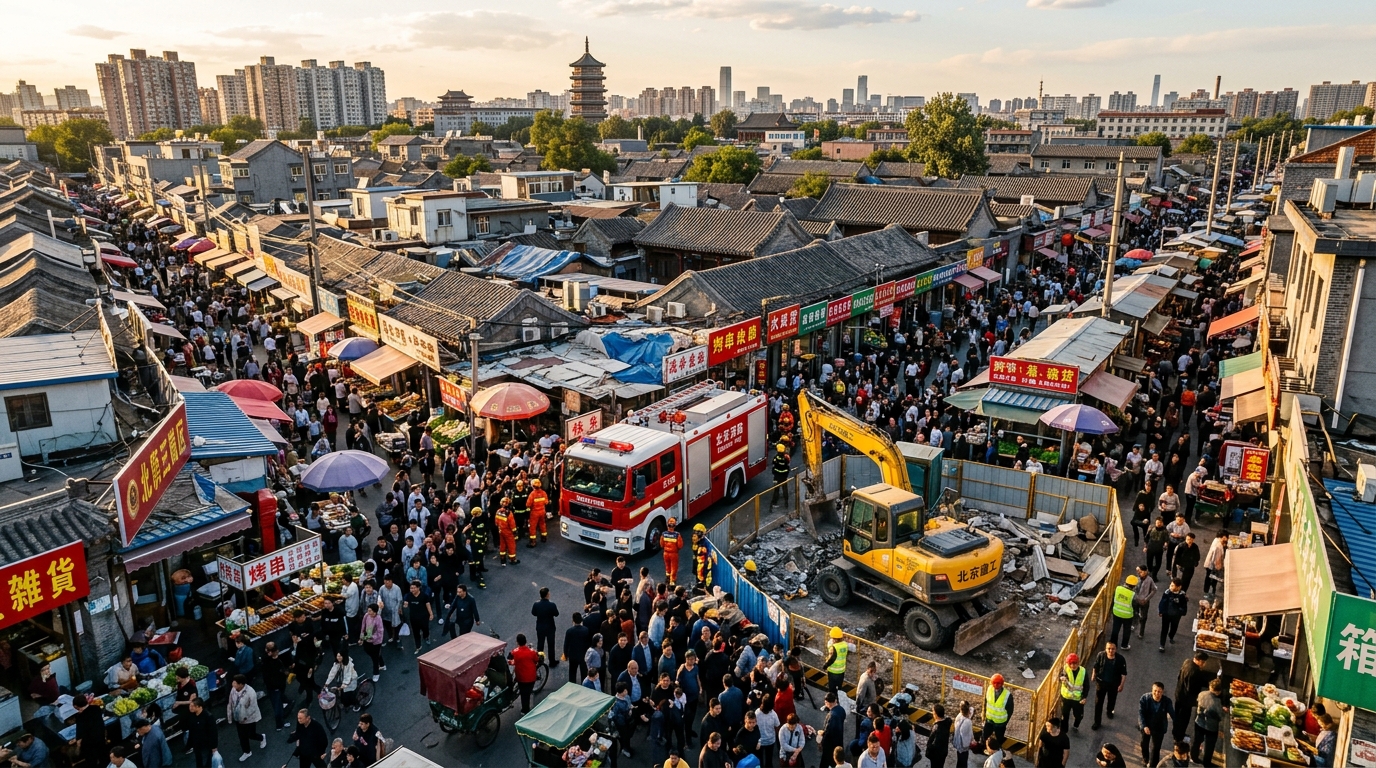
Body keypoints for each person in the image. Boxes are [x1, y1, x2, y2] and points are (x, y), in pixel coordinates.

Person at [1174, 651, 1211, 743]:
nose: (1204, 664)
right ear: (1199, 661)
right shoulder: (1195, 672)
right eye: (1203, 662)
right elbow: (1192, 689)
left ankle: (1176, 733)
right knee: (1184, 719)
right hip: (1186, 701)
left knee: (1177, 716)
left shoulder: (1187, 662)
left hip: (1179, 694)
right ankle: (1179, 737)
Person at [227, 674, 266, 762]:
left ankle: (262, 737)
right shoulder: (233, 690)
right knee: (242, 736)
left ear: (241, 684)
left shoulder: (250, 692)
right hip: (238, 718)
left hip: (249, 719)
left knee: (251, 734)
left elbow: (252, 707)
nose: (233, 684)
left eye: (235, 683)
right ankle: (247, 751)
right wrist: (230, 717)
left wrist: (245, 717)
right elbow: (230, 703)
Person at [1090, 642, 1127, 730]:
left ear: (1116, 649)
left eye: (1112, 649)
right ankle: (1097, 722)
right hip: (1101, 683)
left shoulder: (1120, 659)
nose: (1110, 651)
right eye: (1108, 648)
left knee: (1112, 699)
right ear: (1106, 649)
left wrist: (1121, 685)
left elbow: (1123, 674)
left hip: (1113, 684)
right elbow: (1096, 666)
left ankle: (1109, 711)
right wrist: (1093, 675)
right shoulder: (1101, 655)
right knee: (1098, 703)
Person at [1138, 681, 1174, 768]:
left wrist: (1178, 726)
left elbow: (1172, 713)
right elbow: (1141, 713)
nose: (1157, 693)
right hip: (1147, 726)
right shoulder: (1145, 698)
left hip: (1159, 728)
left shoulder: (1167, 701)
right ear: (1152, 690)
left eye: (1159, 691)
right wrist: (1144, 726)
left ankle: (1153, 765)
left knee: (1156, 748)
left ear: (1162, 692)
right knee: (1144, 744)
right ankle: (1145, 759)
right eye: (1155, 691)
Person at [1191, 678, 1226, 766]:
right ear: (1218, 691)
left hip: (1199, 722)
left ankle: (1194, 757)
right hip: (1211, 727)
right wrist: (1223, 710)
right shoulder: (1217, 702)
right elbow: (1220, 716)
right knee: (1209, 746)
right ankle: (1206, 763)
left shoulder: (1201, 694)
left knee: (1196, 741)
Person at [509, 633, 541, 713]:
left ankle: (525, 710)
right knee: (527, 693)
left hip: (521, 677)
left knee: (523, 694)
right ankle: (526, 709)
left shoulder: (514, 652)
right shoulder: (532, 652)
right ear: (526, 641)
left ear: (517, 642)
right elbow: (536, 660)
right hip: (531, 677)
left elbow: (510, 658)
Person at [185, 697, 220, 768]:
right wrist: (189, 744)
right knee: (199, 762)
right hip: (197, 745)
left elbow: (213, 733)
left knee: (207, 762)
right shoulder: (192, 715)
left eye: (192, 706)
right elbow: (191, 731)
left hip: (206, 745)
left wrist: (214, 747)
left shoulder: (208, 717)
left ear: (198, 707)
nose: (190, 708)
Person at [1158, 579, 1189, 651]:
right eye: (1170, 585)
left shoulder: (1182, 595)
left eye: (1172, 586)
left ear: (1179, 587)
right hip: (1166, 614)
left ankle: (1171, 636)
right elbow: (1162, 602)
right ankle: (1162, 645)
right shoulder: (1167, 593)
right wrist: (1161, 611)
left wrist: (1182, 612)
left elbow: (1184, 605)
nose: (1170, 587)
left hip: (1176, 616)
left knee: (1174, 627)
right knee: (1164, 629)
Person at [531, 587, 560, 668]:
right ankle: (552, 661)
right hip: (550, 627)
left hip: (540, 627)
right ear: (547, 595)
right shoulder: (552, 605)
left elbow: (533, 613)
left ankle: (539, 660)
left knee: (540, 644)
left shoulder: (536, 604)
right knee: (551, 645)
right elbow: (556, 614)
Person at [1058, 652, 1087, 731]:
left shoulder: (1083, 672)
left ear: (1078, 663)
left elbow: (1086, 685)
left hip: (1077, 699)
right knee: (1065, 715)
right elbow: (1061, 675)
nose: (1073, 666)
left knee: (1079, 716)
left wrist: (1084, 697)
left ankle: (1076, 725)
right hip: (1066, 697)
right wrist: (1061, 678)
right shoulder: (1065, 669)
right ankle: (1064, 730)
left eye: (1075, 663)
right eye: (1071, 664)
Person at [404, 580, 433, 654]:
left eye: (414, 588)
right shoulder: (408, 595)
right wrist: (405, 605)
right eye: (411, 588)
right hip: (413, 618)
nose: (412, 590)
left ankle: (426, 637)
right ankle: (418, 646)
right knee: (415, 633)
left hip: (423, 617)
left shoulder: (424, 595)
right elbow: (405, 603)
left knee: (425, 629)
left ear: (418, 588)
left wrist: (431, 614)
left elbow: (428, 604)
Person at [1110, 575, 1137, 649]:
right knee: (1126, 631)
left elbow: (1113, 599)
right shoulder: (1132, 594)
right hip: (1127, 616)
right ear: (1134, 586)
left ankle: (1113, 644)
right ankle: (1124, 645)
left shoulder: (1118, 588)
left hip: (1116, 612)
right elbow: (1135, 605)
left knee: (1115, 629)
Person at [984, 673, 1013, 743]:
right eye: (994, 683)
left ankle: (997, 751)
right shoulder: (989, 689)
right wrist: (983, 714)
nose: (996, 685)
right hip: (989, 719)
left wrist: (1005, 721)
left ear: (1002, 684)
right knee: (985, 736)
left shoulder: (1007, 695)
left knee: (999, 739)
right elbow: (985, 702)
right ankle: (984, 748)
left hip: (1000, 723)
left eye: (998, 683)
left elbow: (1010, 710)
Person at [823, 626, 852, 694]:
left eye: (832, 638)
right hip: (841, 671)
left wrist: (825, 665)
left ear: (835, 639)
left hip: (833, 671)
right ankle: (838, 699)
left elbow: (832, 658)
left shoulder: (834, 647)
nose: (831, 639)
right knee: (839, 688)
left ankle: (832, 700)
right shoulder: (845, 645)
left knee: (832, 688)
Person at [1131, 565, 1157, 642]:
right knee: (1135, 613)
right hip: (1136, 600)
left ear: (1146, 572)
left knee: (1144, 617)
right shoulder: (1137, 578)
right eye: (1139, 572)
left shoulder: (1150, 580)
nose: (1140, 573)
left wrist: (1146, 599)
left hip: (1144, 602)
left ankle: (1141, 632)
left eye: (1141, 572)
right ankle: (1134, 625)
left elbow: (1154, 590)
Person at [820, 692, 846, 768]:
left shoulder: (832, 716)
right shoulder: (841, 709)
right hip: (839, 739)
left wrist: (821, 741)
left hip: (830, 744)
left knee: (826, 760)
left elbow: (827, 732)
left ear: (828, 703)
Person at [926, 703, 951, 768]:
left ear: (936, 714)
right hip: (943, 752)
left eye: (933, 712)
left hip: (936, 755)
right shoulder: (946, 722)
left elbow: (935, 745)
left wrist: (929, 746)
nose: (932, 713)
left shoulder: (938, 728)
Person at [953, 701, 975, 768]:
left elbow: (972, 709)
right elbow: (968, 735)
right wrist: (972, 741)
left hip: (958, 744)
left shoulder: (959, 716)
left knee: (959, 761)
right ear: (968, 711)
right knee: (963, 762)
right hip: (964, 746)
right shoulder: (967, 722)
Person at [661, 517, 683, 586]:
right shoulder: (677, 535)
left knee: (667, 566)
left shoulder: (663, 534)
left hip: (665, 553)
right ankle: (672, 581)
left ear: (667, 525)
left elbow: (661, 544)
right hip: (674, 554)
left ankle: (667, 577)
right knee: (674, 567)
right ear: (674, 526)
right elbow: (680, 545)